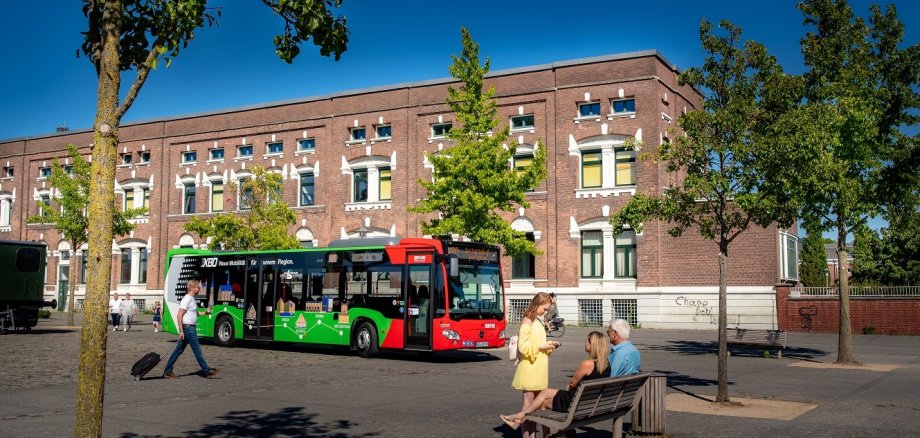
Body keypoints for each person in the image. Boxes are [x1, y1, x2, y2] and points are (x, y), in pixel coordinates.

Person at [500, 331, 611, 429]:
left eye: (587, 340)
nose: (585, 343)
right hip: (590, 402)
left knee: (544, 403)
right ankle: (519, 418)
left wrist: (570, 386)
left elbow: (573, 383)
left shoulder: (587, 364)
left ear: (593, 344)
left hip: (575, 403)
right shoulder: (606, 364)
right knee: (545, 392)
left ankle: (520, 418)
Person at [510, 292, 560, 438]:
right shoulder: (528, 320)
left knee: (536, 406)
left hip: (538, 367)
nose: (546, 312)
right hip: (530, 368)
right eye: (544, 309)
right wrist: (542, 346)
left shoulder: (537, 321)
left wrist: (549, 345)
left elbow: (538, 344)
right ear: (537, 305)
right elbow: (523, 347)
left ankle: (529, 432)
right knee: (528, 405)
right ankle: (527, 435)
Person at [163, 280, 219, 379]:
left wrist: (205, 313)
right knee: (197, 349)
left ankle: (167, 371)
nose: (199, 289)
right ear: (192, 288)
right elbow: (179, 314)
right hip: (188, 328)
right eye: (198, 287)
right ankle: (206, 371)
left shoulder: (192, 299)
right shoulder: (187, 299)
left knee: (178, 350)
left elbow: (195, 313)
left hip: (189, 328)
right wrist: (181, 331)